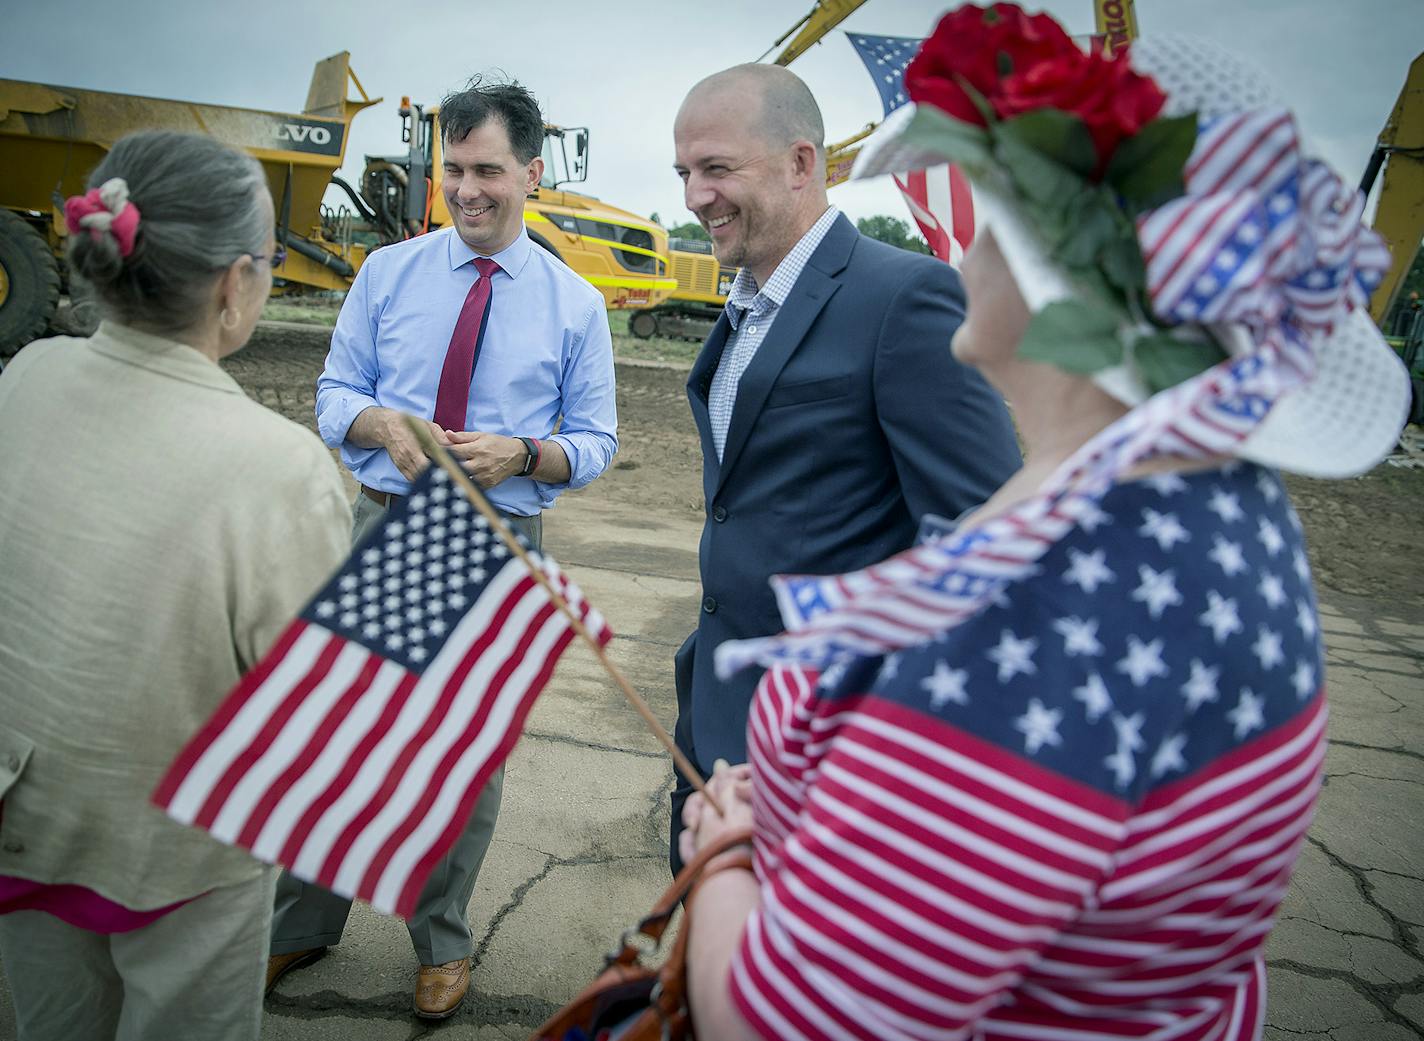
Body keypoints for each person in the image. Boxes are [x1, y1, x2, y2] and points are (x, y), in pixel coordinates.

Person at [677, 10, 1409, 1041]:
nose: (963, 242)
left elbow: (782, 1023)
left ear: (1050, 272)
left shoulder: (1020, 613)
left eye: (991, 215)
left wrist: (724, 858)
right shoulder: (1231, 506)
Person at [271, 78, 618, 1018]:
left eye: (488, 171)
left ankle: (443, 940)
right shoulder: (387, 274)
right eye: (453, 170)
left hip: (499, 533)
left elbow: (597, 440)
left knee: (465, 748)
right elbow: (334, 391)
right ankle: (301, 923)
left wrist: (527, 451)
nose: (467, 190)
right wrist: (379, 421)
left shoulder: (577, 303)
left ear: (531, 174)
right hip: (389, 519)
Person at [0, 131, 350, 1041]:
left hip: (27, 816)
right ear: (236, 282)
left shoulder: (25, 376)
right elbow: (312, 699)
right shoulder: (278, 463)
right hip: (181, 852)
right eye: (272, 257)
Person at [668, 63, 1021, 871]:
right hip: (713, 724)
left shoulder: (907, 298)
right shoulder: (744, 308)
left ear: (802, 164)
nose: (695, 196)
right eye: (684, 173)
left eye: (717, 168)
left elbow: (985, 540)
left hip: (832, 761)